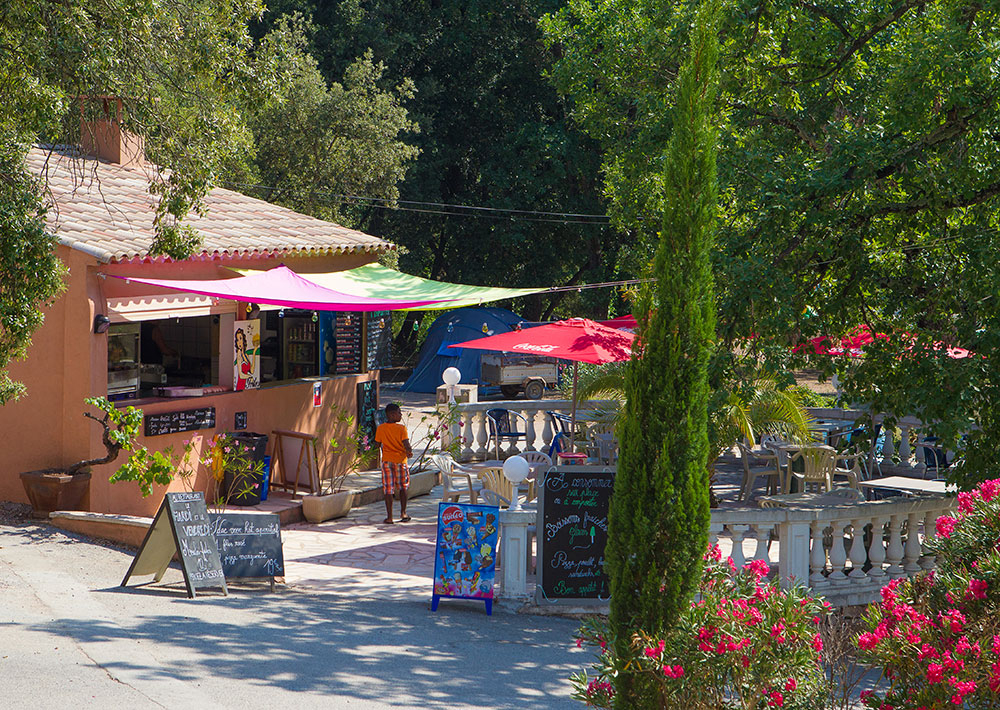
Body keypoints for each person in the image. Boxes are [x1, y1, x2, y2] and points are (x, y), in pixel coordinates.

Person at [374, 403, 412, 524]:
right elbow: (406, 444)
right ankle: (403, 512)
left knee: (388, 488)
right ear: (391, 415)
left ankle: (389, 517)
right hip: (400, 461)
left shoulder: (381, 428)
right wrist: (409, 452)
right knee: (403, 487)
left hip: (386, 461)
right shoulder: (401, 429)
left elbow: (377, 444)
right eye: (399, 413)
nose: (401, 415)